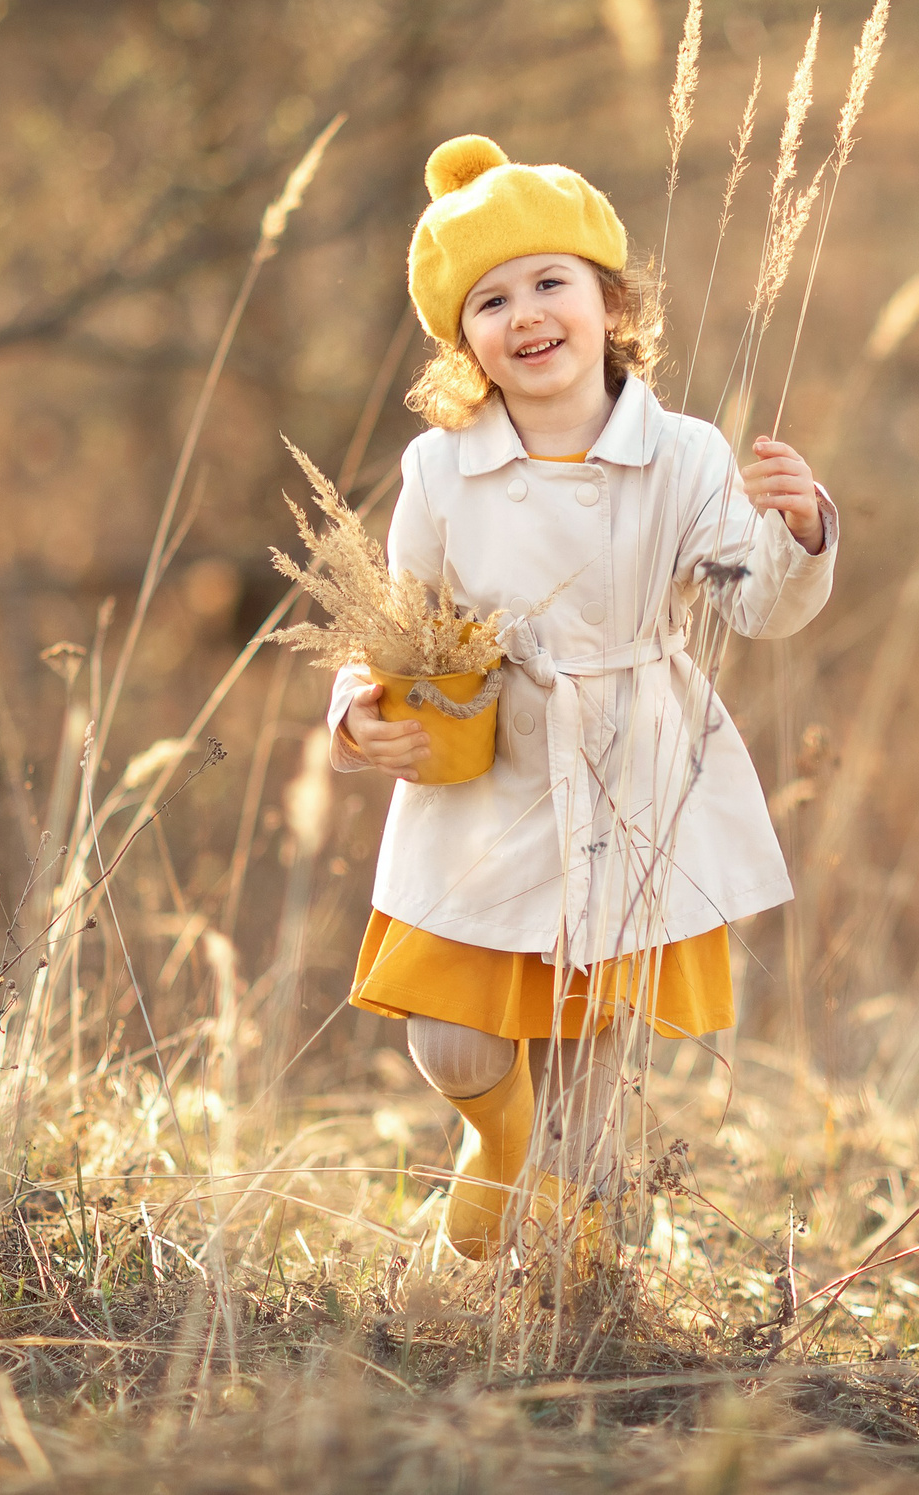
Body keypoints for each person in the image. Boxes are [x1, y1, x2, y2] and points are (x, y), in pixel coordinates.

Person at [328, 134, 837, 1263]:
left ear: (609, 302)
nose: (527, 314)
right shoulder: (440, 467)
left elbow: (750, 603)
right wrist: (360, 707)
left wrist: (797, 529)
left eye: (550, 282)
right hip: (490, 766)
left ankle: (575, 1294)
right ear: (465, 341)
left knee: (590, 1056)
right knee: (456, 1043)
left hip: (631, 759)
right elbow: (395, 618)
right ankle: (496, 1144)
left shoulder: (685, 455)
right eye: (490, 299)